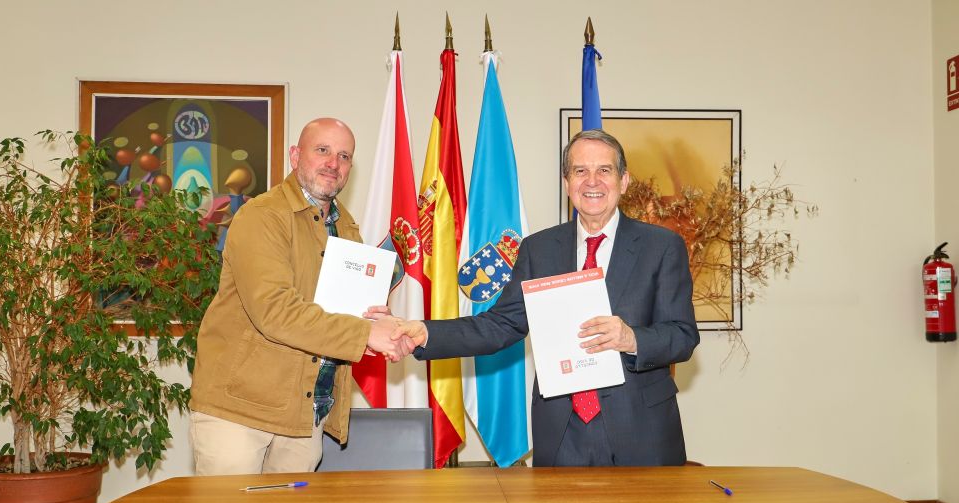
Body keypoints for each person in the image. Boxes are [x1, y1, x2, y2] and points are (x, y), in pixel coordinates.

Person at [384, 129, 699, 467]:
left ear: (623, 181)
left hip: (642, 431)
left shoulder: (661, 247)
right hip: (562, 432)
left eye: (604, 170)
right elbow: (499, 325)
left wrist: (631, 338)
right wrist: (426, 332)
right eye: (580, 171)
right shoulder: (539, 249)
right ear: (567, 183)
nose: (592, 181)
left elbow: (682, 336)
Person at [189, 117, 407, 475]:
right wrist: (364, 333)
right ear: (295, 155)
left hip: (306, 411)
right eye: (322, 150)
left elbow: (336, 313)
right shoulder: (263, 216)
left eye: (344, 156)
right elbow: (275, 311)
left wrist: (375, 321)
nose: (333, 163)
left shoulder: (347, 228)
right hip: (241, 411)